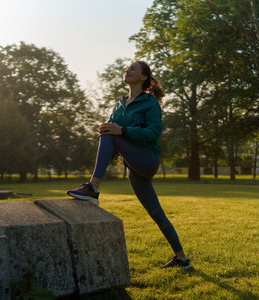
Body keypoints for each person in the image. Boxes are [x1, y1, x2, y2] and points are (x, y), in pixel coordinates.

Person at [67, 61, 190, 269]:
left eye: (133, 68)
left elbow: (153, 133)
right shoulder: (119, 103)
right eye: (126, 68)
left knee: (110, 133)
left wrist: (121, 131)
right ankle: (181, 258)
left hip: (147, 159)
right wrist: (108, 129)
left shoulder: (149, 102)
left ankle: (93, 187)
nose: (127, 70)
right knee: (156, 213)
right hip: (133, 166)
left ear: (143, 77)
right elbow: (112, 137)